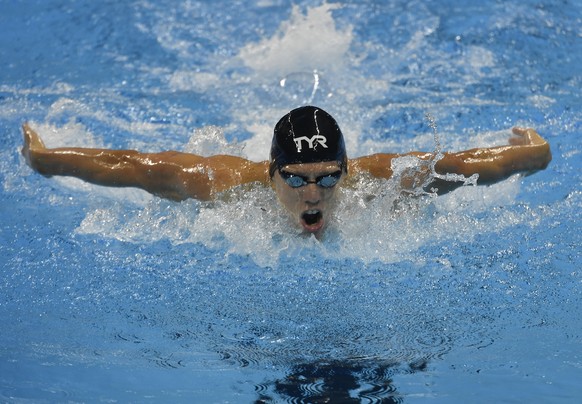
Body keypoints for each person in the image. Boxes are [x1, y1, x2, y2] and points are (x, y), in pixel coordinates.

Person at [21, 105, 551, 237]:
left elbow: (467, 165)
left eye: (327, 176)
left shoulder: (381, 181)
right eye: (296, 179)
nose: (313, 193)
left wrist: (534, 151)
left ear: (345, 169)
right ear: (272, 173)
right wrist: (47, 161)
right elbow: (132, 166)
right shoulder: (226, 185)